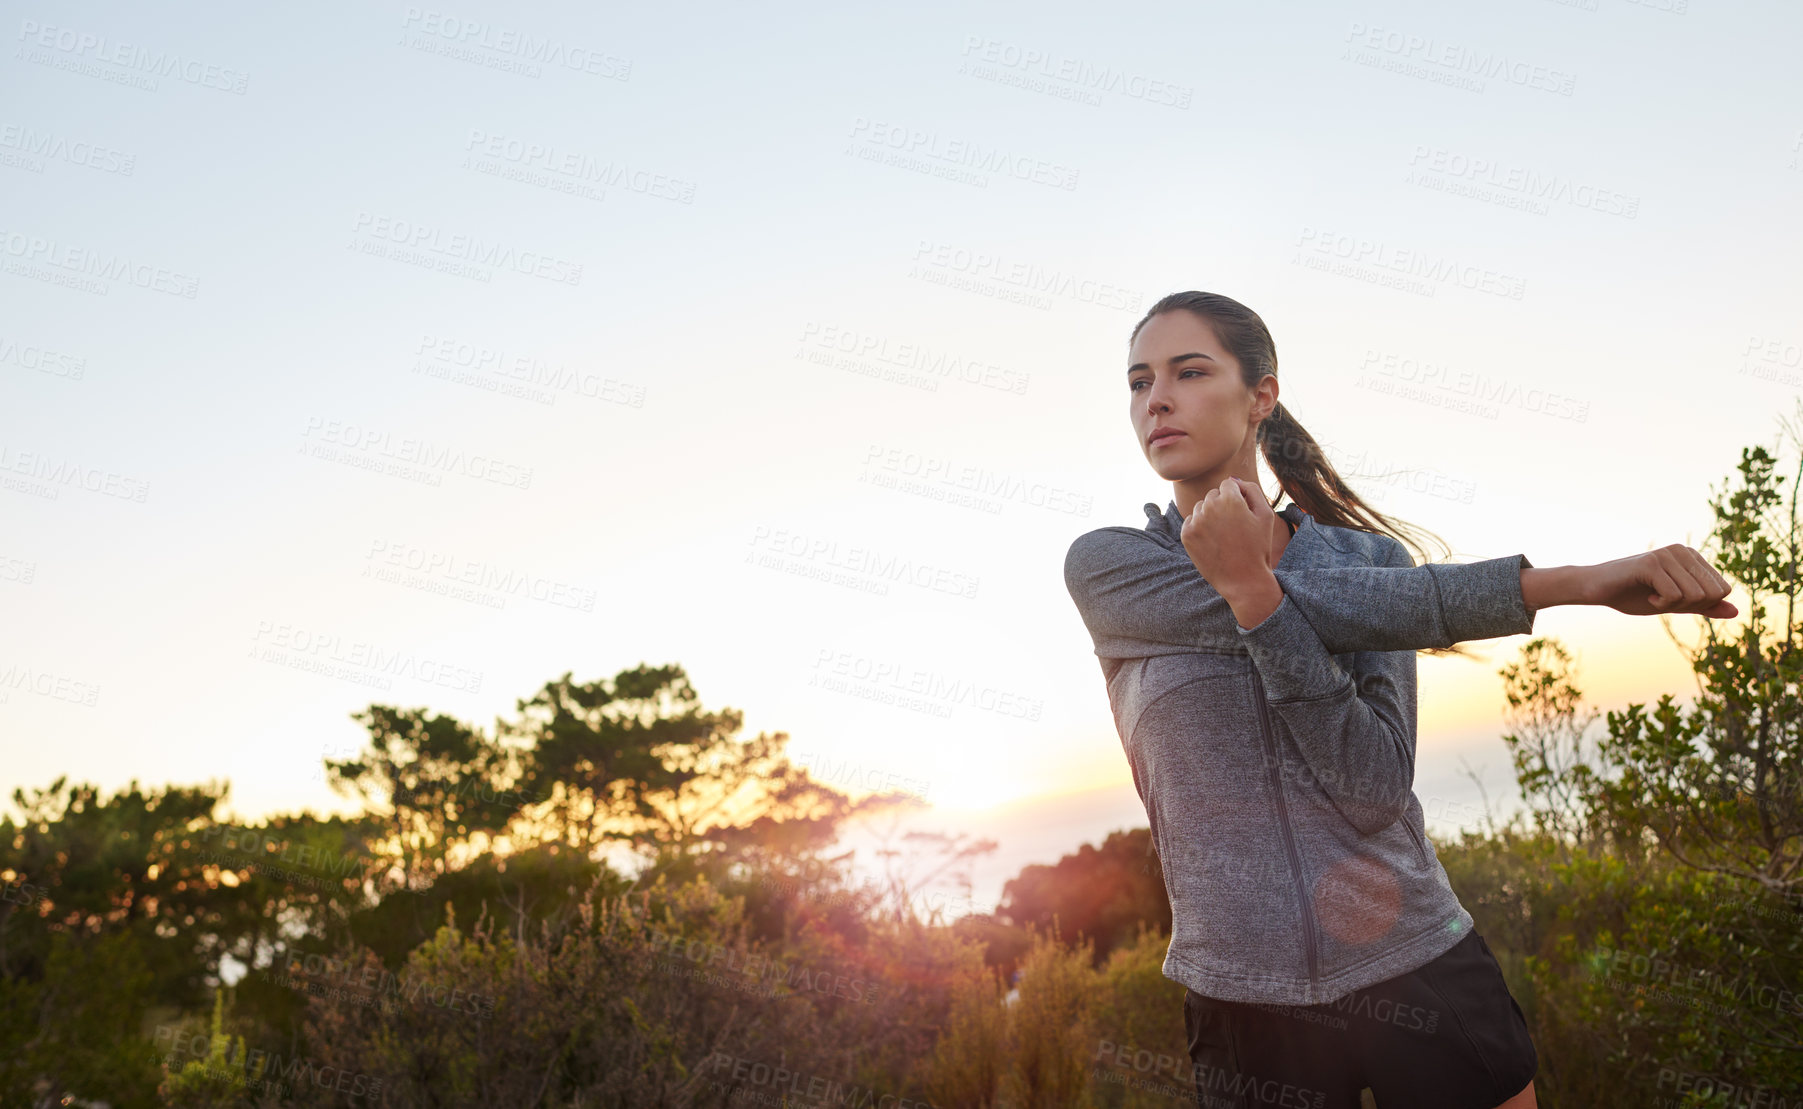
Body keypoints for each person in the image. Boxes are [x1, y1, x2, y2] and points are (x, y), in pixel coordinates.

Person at [1062, 291, 1736, 1109]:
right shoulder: (1111, 570)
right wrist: (1573, 583)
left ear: (1260, 396)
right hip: (1242, 998)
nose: (1155, 399)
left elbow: (1373, 787)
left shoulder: (1368, 560)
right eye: (1138, 382)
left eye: (1188, 371)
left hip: (1415, 956)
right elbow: (1337, 609)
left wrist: (1257, 600)